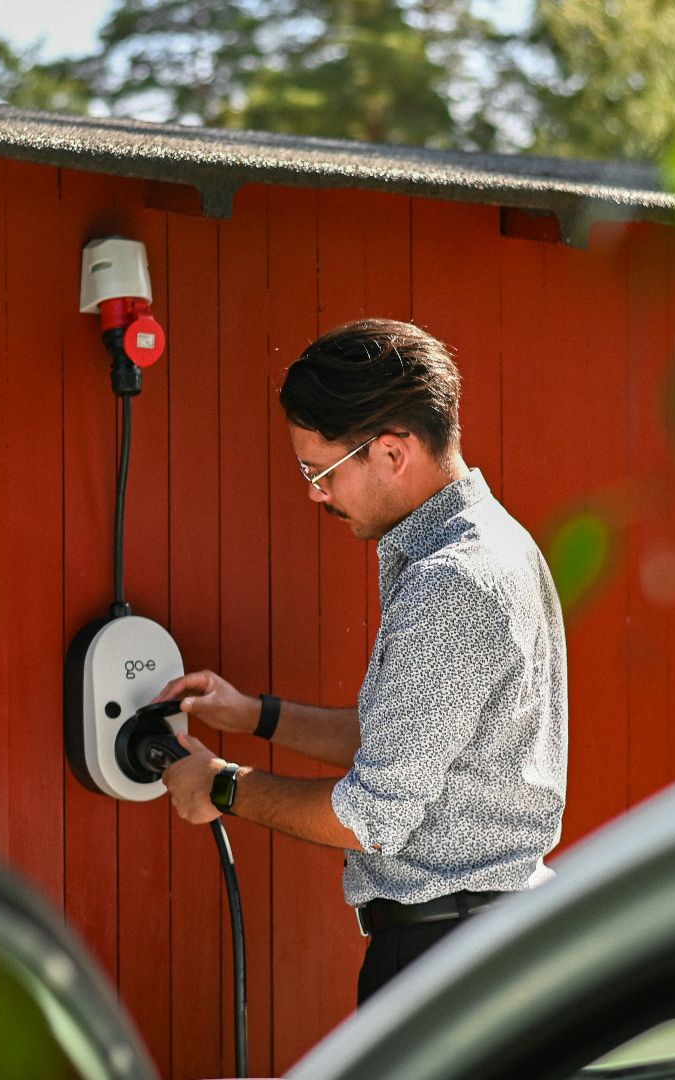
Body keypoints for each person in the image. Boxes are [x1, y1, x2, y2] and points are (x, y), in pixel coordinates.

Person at [156, 318, 569, 1005]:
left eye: (319, 471)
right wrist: (256, 715)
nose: (314, 493)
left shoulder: (453, 581)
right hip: (487, 948)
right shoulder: (496, 542)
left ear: (394, 452)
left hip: (448, 968)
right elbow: (411, 745)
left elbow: (373, 818)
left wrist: (221, 786)